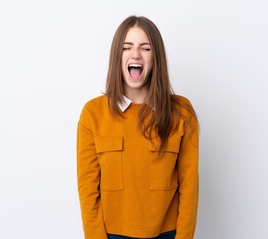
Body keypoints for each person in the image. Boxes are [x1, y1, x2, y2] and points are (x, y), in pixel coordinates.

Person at [77, 15, 199, 239]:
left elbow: (189, 188)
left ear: (156, 58)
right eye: (126, 47)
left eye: (145, 48)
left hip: (168, 234)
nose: (135, 54)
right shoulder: (92, 114)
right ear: (117, 56)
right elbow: (88, 194)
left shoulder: (182, 112)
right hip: (112, 235)